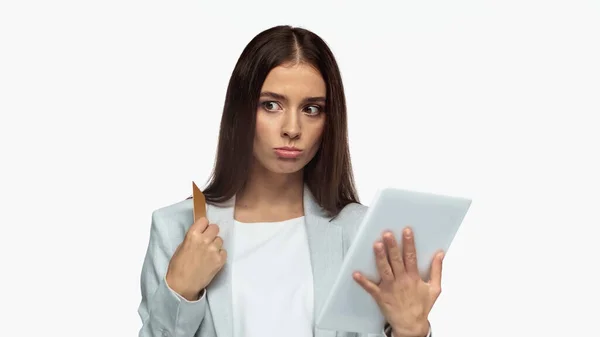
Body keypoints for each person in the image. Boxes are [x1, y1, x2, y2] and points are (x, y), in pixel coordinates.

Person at [137, 25, 444, 337]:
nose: (292, 128)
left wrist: (411, 331)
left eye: (311, 109)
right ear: (240, 110)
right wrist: (180, 294)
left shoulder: (362, 233)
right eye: (271, 104)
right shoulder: (175, 227)